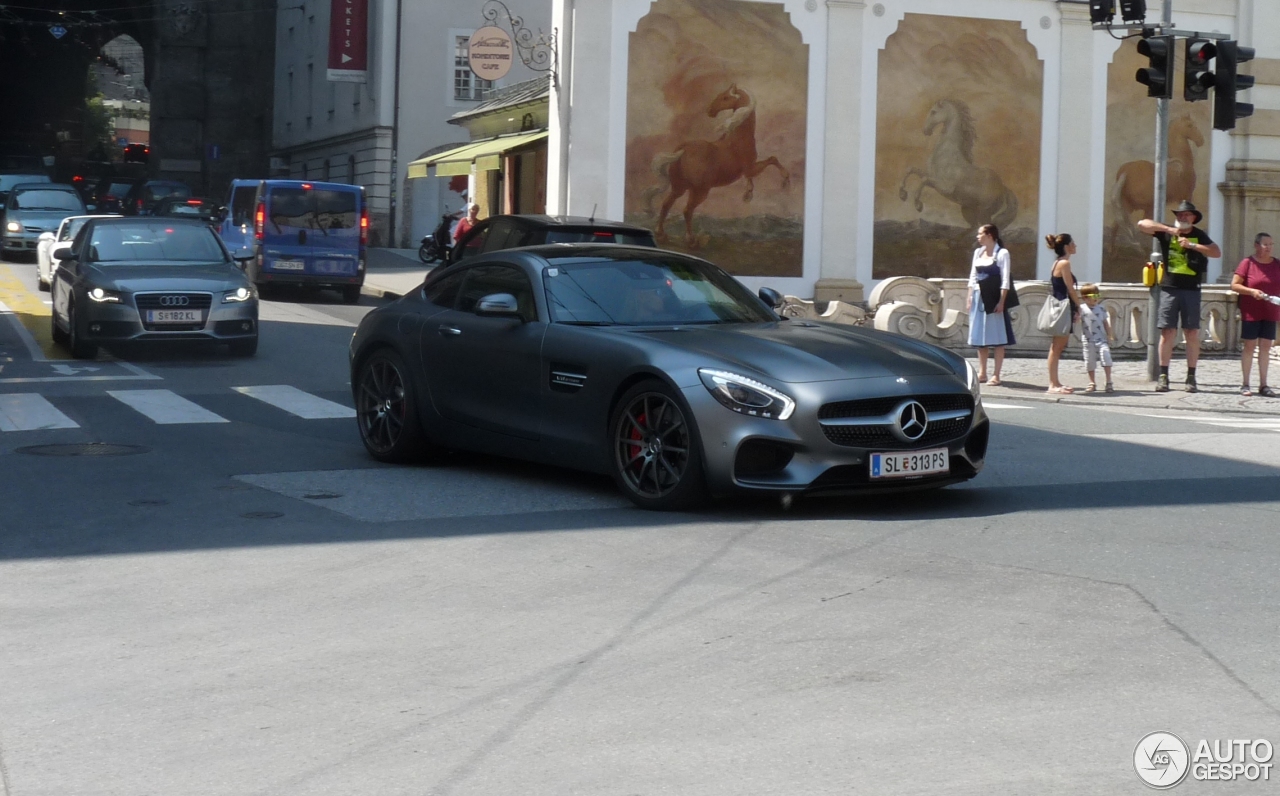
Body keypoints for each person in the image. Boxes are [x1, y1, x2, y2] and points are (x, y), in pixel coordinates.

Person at [1137, 200, 1221, 393]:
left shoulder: (1199, 235)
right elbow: (1142, 224)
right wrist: (1168, 230)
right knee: (1167, 332)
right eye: (1179, 215)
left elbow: (1216, 252)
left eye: (1186, 215)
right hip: (1169, 288)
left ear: (1193, 218)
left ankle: (1191, 376)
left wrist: (1192, 245)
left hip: (1191, 289)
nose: (1182, 218)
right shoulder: (1167, 231)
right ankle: (1164, 375)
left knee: (1191, 333)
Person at [1230, 232, 1280, 397]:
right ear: (1257, 245)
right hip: (1251, 311)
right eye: (1266, 244)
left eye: (1271, 244)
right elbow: (1235, 285)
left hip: (1270, 311)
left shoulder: (1277, 264)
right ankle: (1245, 383)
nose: (1269, 248)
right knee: (1250, 346)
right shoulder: (1248, 263)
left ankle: (1264, 384)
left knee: (1266, 347)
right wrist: (1251, 291)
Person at [966, 223, 1013, 386]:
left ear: (990, 235)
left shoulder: (1002, 253)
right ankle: (982, 372)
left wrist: (1001, 301)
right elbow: (973, 276)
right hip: (979, 296)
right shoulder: (978, 252)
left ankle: (996, 374)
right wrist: (970, 296)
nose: (978, 237)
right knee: (980, 337)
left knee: (998, 337)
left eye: (980, 234)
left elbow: (1005, 279)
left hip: (993, 297)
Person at [1045, 233, 1083, 394]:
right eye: (1073, 243)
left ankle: (1055, 382)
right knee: (1057, 346)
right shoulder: (1064, 264)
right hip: (1064, 307)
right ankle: (1053, 384)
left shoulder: (1057, 263)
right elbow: (1070, 289)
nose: (1076, 246)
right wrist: (1079, 306)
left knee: (1057, 346)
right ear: (1067, 246)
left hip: (1061, 306)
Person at [1077, 283, 1114, 393]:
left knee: (1106, 357)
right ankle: (1092, 382)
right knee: (1089, 361)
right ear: (1085, 298)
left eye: (1098, 296)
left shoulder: (1101, 308)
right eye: (1094, 296)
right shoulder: (1082, 309)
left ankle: (1108, 381)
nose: (1096, 298)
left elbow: (1105, 322)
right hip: (1088, 340)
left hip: (1101, 339)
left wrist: (1109, 335)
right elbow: (1078, 320)